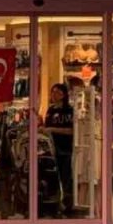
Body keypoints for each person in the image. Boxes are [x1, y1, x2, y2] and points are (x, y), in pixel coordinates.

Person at [42, 83, 75, 216]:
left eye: (57, 92)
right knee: (52, 177)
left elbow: (72, 131)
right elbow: (46, 128)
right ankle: (54, 204)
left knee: (66, 177)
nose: (54, 95)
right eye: (53, 92)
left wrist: (52, 129)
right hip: (51, 148)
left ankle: (68, 205)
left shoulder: (69, 111)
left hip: (66, 148)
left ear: (64, 94)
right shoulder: (50, 110)